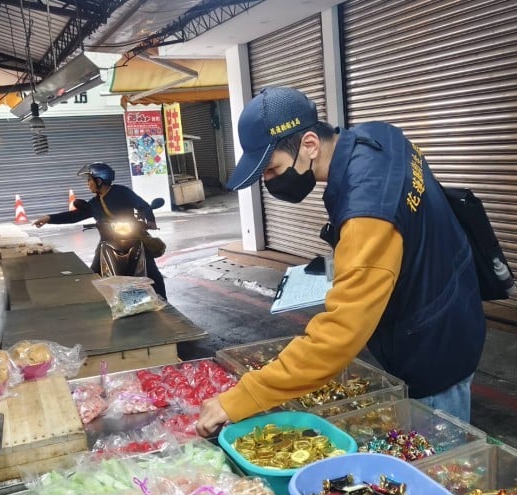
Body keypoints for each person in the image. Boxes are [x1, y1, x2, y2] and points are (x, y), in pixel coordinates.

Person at [196, 87, 485, 436]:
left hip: (433, 343)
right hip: (447, 301)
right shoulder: (377, 137)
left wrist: (241, 398)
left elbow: (339, 335)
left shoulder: (368, 208)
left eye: (271, 169)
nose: (268, 182)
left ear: (310, 145)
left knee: (441, 464)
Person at [33, 162, 167, 299]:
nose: (88, 184)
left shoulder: (122, 192)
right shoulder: (94, 203)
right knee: (94, 272)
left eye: (90, 180)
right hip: (107, 240)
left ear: (99, 180)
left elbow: (143, 206)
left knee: (152, 271)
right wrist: (48, 218)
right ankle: (95, 301)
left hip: (133, 237)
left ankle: (163, 300)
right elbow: (74, 216)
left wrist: (150, 220)